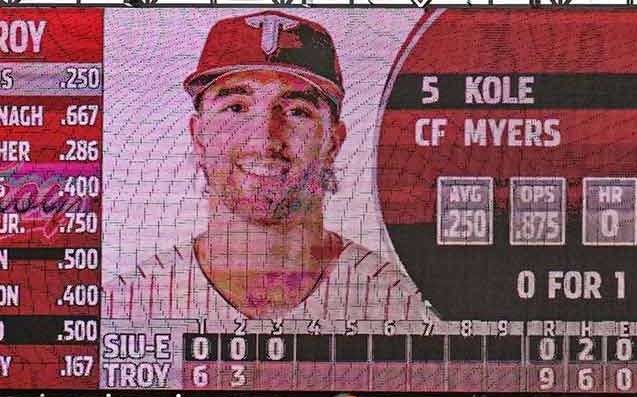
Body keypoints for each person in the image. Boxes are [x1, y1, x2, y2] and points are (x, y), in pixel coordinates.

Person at [104, 11, 428, 322]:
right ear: (198, 136)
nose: (264, 139)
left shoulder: (402, 306)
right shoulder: (123, 304)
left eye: (297, 111)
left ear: (333, 142)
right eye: (236, 108)